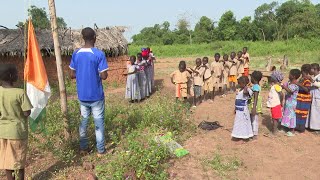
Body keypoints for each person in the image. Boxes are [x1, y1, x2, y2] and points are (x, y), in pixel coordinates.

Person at [69, 27, 108, 156]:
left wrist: (82, 73)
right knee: (98, 124)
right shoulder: (99, 54)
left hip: (82, 96)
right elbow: (104, 76)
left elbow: (72, 74)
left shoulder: (76, 53)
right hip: (96, 96)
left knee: (83, 123)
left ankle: (83, 148)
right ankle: (101, 150)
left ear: (82, 38)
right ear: (95, 37)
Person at [0, 64, 33, 180]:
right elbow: (27, 112)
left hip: (2, 132)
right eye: (16, 73)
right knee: (19, 162)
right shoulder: (20, 93)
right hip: (17, 132)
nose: (18, 75)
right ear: (10, 76)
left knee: (6, 161)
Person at [231, 76, 254, 142]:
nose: (239, 84)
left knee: (243, 123)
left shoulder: (247, 90)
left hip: (243, 110)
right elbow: (237, 100)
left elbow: (246, 92)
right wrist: (235, 109)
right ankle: (238, 135)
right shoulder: (239, 90)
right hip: (238, 110)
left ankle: (244, 138)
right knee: (238, 123)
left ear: (244, 83)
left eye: (240, 83)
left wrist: (246, 86)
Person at [281, 69, 301, 137]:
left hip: (292, 103)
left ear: (294, 76)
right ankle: (286, 127)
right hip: (288, 102)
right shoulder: (289, 82)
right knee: (286, 114)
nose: (288, 75)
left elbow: (290, 91)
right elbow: (284, 85)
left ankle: (292, 130)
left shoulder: (295, 84)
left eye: (290, 74)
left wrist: (284, 87)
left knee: (291, 116)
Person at [295, 64, 312, 133]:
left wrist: (299, 84)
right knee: (298, 112)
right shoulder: (302, 79)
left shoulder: (307, 80)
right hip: (300, 99)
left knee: (302, 113)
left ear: (303, 70)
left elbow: (307, 90)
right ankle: (297, 127)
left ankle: (301, 128)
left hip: (304, 100)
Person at [267, 70, 284, 134]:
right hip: (274, 104)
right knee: (275, 117)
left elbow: (281, 94)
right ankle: (275, 129)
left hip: (275, 104)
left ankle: (274, 131)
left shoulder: (276, 86)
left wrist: (281, 101)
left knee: (275, 118)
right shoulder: (275, 85)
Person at [306, 63, 320, 132]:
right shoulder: (314, 77)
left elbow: (318, 85)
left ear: (314, 69)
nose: (309, 70)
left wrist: (311, 80)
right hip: (312, 97)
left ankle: (316, 128)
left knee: (316, 113)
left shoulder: (319, 77)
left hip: (317, 98)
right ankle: (310, 126)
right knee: (312, 111)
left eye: (310, 69)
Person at [249, 71, 263, 139]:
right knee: (253, 119)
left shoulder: (255, 87)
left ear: (254, 79)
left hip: (254, 106)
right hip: (255, 105)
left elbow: (256, 97)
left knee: (254, 119)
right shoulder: (256, 86)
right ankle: (252, 132)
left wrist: (254, 107)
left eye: (251, 77)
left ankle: (254, 134)